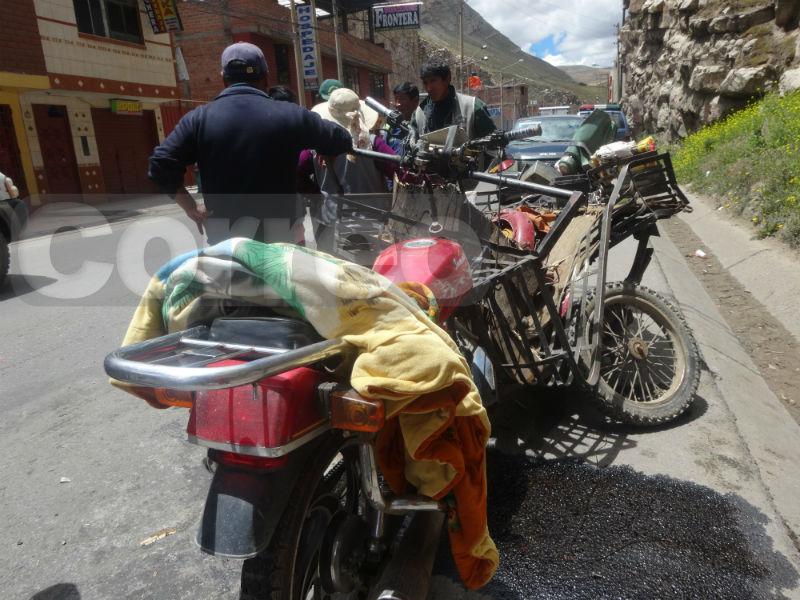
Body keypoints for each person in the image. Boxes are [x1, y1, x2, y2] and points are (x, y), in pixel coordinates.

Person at [148, 42, 352, 245]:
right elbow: (342, 139)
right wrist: (326, 150)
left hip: (226, 247)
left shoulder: (198, 119)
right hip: (278, 245)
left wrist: (190, 207)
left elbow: (160, 164)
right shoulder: (290, 115)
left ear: (223, 79)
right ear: (266, 78)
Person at [297, 87, 398, 252]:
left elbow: (297, 174)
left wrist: (316, 193)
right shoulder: (374, 144)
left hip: (329, 223)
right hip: (372, 225)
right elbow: (397, 172)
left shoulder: (313, 148)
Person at [413, 58, 496, 140]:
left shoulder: (473, 108)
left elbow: (494, 146)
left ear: (447, 79)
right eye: (425, 83)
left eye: (433, 81)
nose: (429, 88)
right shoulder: (419, 114)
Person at [386, 82, 419, 153]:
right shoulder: (391, 128)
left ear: (415, 101)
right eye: (396, 99)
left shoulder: (421, 128)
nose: (397, 104)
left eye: (402, 99)